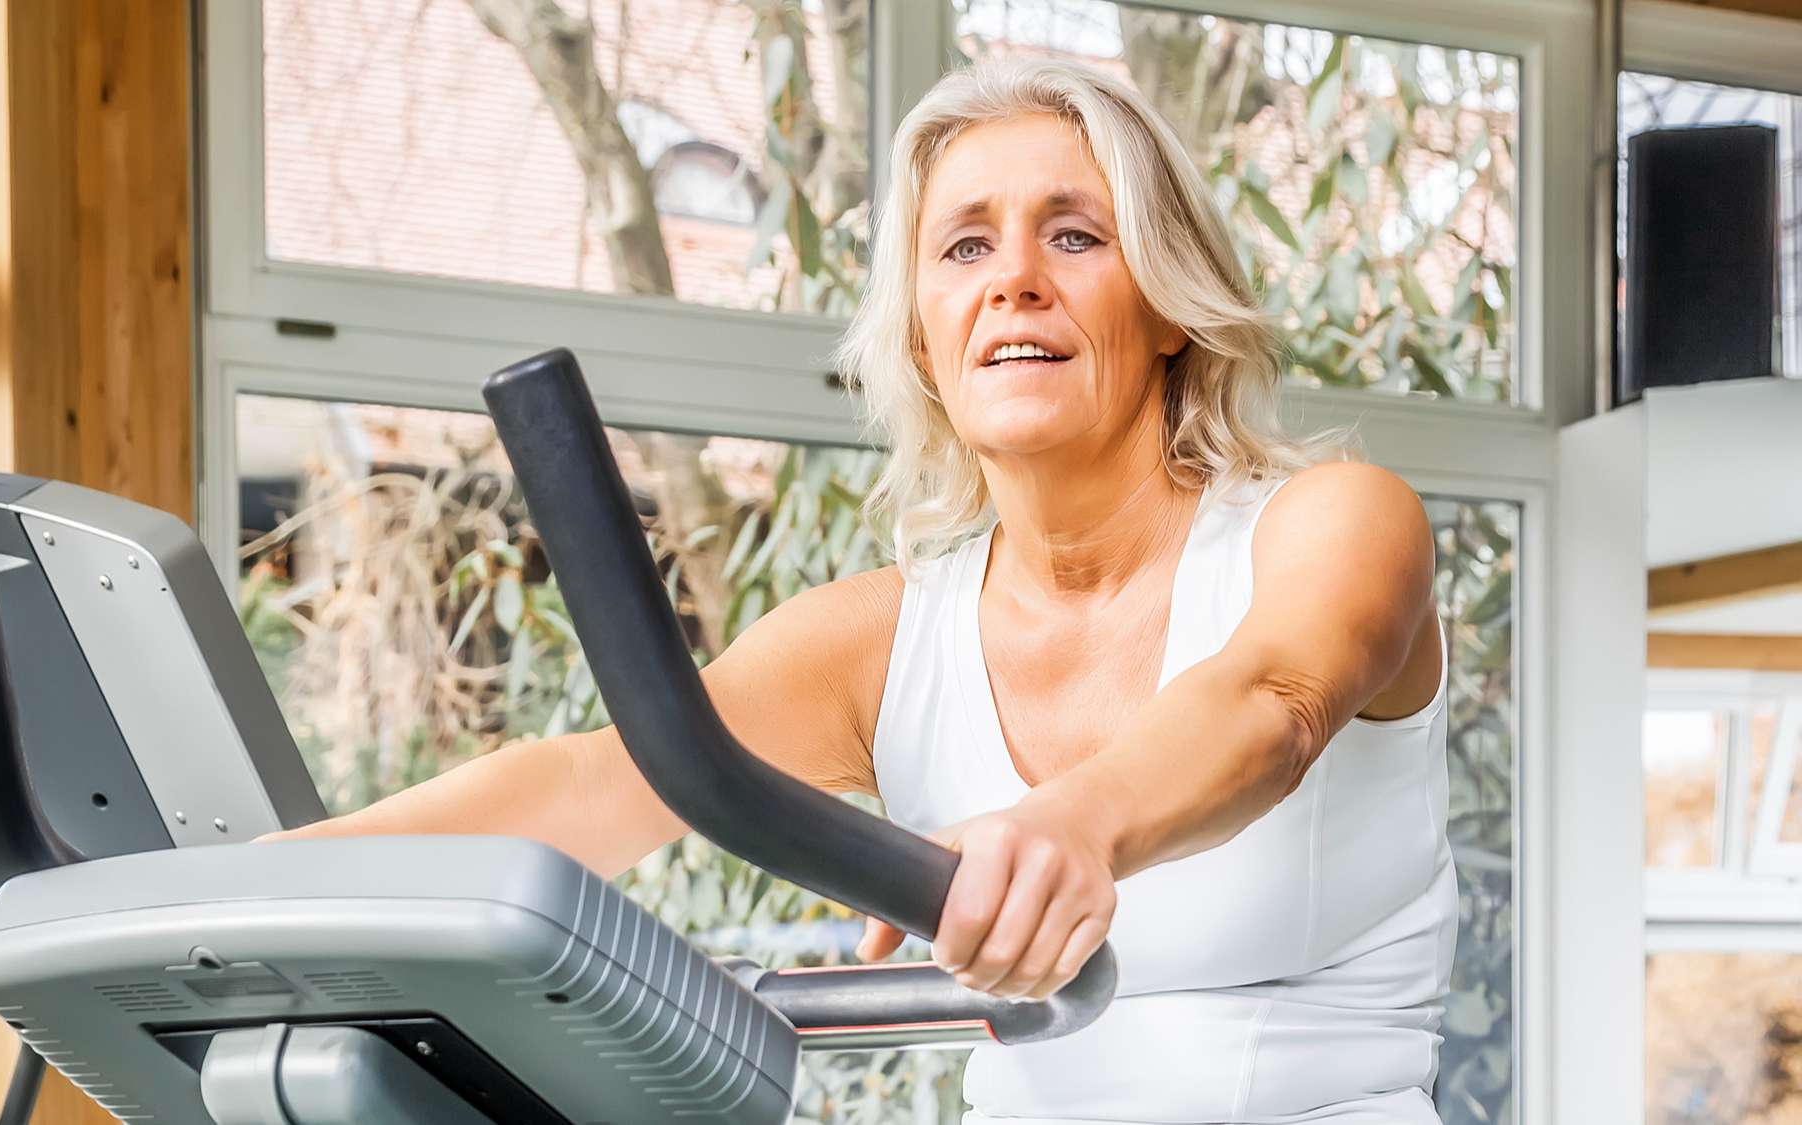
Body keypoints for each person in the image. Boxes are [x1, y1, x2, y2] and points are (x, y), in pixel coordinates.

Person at [273, 56, 1454, 1124]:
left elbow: (1274, 700)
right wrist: (252, 890)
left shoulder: (1335, 520)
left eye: (1075, 236)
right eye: (964, 248)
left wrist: (1074, 824)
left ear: (1162, 308)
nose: (1015, 282)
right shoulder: (882, 641)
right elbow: (593, 784)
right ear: (928, 342)